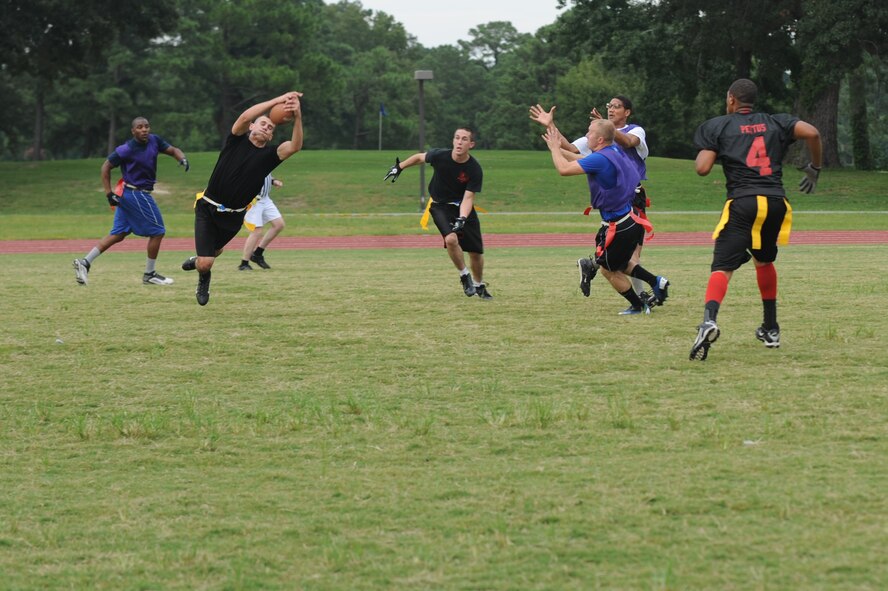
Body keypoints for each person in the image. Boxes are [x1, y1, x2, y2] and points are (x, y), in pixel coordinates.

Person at [689, 78, 822, 361]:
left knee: (722, 266)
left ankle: (709, 320)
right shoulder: (775, 122)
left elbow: (702, 168)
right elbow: (812, 132)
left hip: (743, 201)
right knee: (763, 260)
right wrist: (814, 167)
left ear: (731, 99)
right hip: (775, 201)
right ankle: (771, 327)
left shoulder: (720, 126)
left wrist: (714, 150)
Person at [530, 98, 661, 309]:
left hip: (631, 196)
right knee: (623, 258)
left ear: (627, 111)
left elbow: (627, 142)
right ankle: (648, 288)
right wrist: (551, 128)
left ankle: (643, 293)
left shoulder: (634, 131)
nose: (611, 109)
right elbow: (571, 150)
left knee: (629, 257)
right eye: (609, 106)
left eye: (616, 106)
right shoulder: (600, 139)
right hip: (615, 205)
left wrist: (604, 127)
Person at [180, 91, 303, 305]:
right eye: (263, 123)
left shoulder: (270, 156)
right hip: (208, 208)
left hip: (234, 217)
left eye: (271, 127)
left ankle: (198, 261)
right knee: (207, 262)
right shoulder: (235, 141)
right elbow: (245, 117)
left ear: (272, 137)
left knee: (215, 251)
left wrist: (298, 115)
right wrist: (276, 101)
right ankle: (203, 276)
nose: (266, 127)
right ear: (252, 127)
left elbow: (295, 146)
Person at [72, 117, 188, 286]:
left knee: (118, 234)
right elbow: (105, 167)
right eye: (140, 127)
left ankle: (84, 262)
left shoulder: (154, 140)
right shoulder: (126, 149)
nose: (144, 130)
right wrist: (108, 193)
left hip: (130, 194)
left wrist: (181, 158)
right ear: (133, 131)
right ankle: (149, 274)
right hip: (137, 194)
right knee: (158, 231)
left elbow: (173, 150)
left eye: (147, 126)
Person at [383, 127, 492, 300]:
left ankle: (479, 286)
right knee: (451, 239)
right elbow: (419, 157)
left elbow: (468, 198)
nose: (459, 142)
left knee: (475, 253)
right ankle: (464, 275)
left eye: (464, 139)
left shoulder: (474, 169)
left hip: (462, 207)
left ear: (471, 144)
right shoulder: (440, 156)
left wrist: (462, 218)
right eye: (457, 138)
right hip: (439, 205)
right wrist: (400, 167)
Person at [239, 174, 285, 270]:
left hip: (265, 199)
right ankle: (244, 263)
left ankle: (257, 253)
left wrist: (273, 181)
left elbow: (265, 174)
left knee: (279, 225)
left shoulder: (264, 159)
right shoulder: (250, 161)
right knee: (256, 231)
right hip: (254, 201)